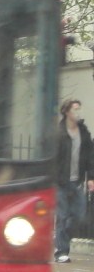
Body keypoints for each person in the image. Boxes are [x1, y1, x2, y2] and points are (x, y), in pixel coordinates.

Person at [54, 98, 94, 262]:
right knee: (62, 216)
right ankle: (61, 252)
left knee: (78, 215)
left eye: (79, 109)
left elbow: (91, 157)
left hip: (77, 181)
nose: (78, 113)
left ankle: (60, 240)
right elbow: (54, 158)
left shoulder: (84, 132)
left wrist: (91, 177)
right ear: (66, 112)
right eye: (74, 109)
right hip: (61, 181)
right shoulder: (59, 133)